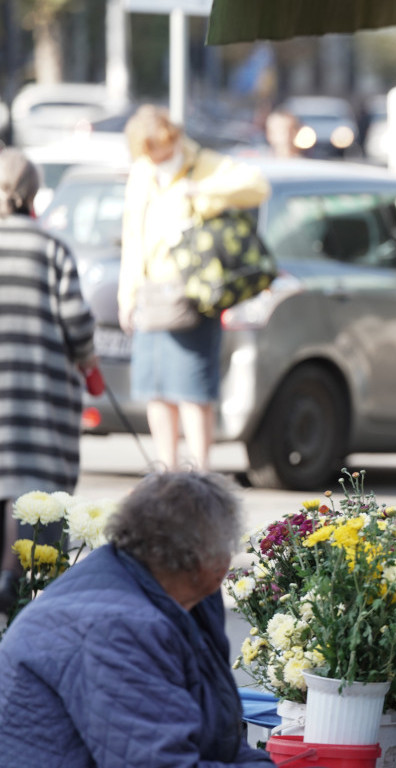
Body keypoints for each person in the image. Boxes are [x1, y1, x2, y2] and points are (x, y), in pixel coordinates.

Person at [0, 471, 274, 767]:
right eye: (228, 548)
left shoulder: (180, 599)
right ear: (208, 562)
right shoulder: (117, 626)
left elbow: (224, 744)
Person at [117, 106, 270, 472]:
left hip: (192, 295)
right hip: (152, 293)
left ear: (173, 140)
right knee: (156, 389)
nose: (157, 159)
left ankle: (200, 471)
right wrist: (127, 295)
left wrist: (201, 190)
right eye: (150, 153)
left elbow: (257, 187)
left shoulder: (203, 163)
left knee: (193, 390)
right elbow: (132, 235)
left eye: (161, 151)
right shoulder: (142, 172)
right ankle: (166, 469)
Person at [0, 148, 97, 616]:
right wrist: (88, 359)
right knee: (32, 497)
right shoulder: (52, 248)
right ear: (33, 193)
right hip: (39, 405)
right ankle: (15, 585)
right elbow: (77, 325)